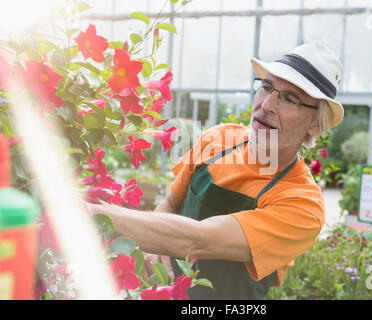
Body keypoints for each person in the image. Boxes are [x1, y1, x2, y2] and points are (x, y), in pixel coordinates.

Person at [85, 42, 344, 300]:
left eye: (289, 99)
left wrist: (90, 212)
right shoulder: (217, 140)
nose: (266, 106)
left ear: (314, 124)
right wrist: (153, 253)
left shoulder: (302, 203)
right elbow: (170, 203)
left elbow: (199, 240)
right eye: (266, 87)